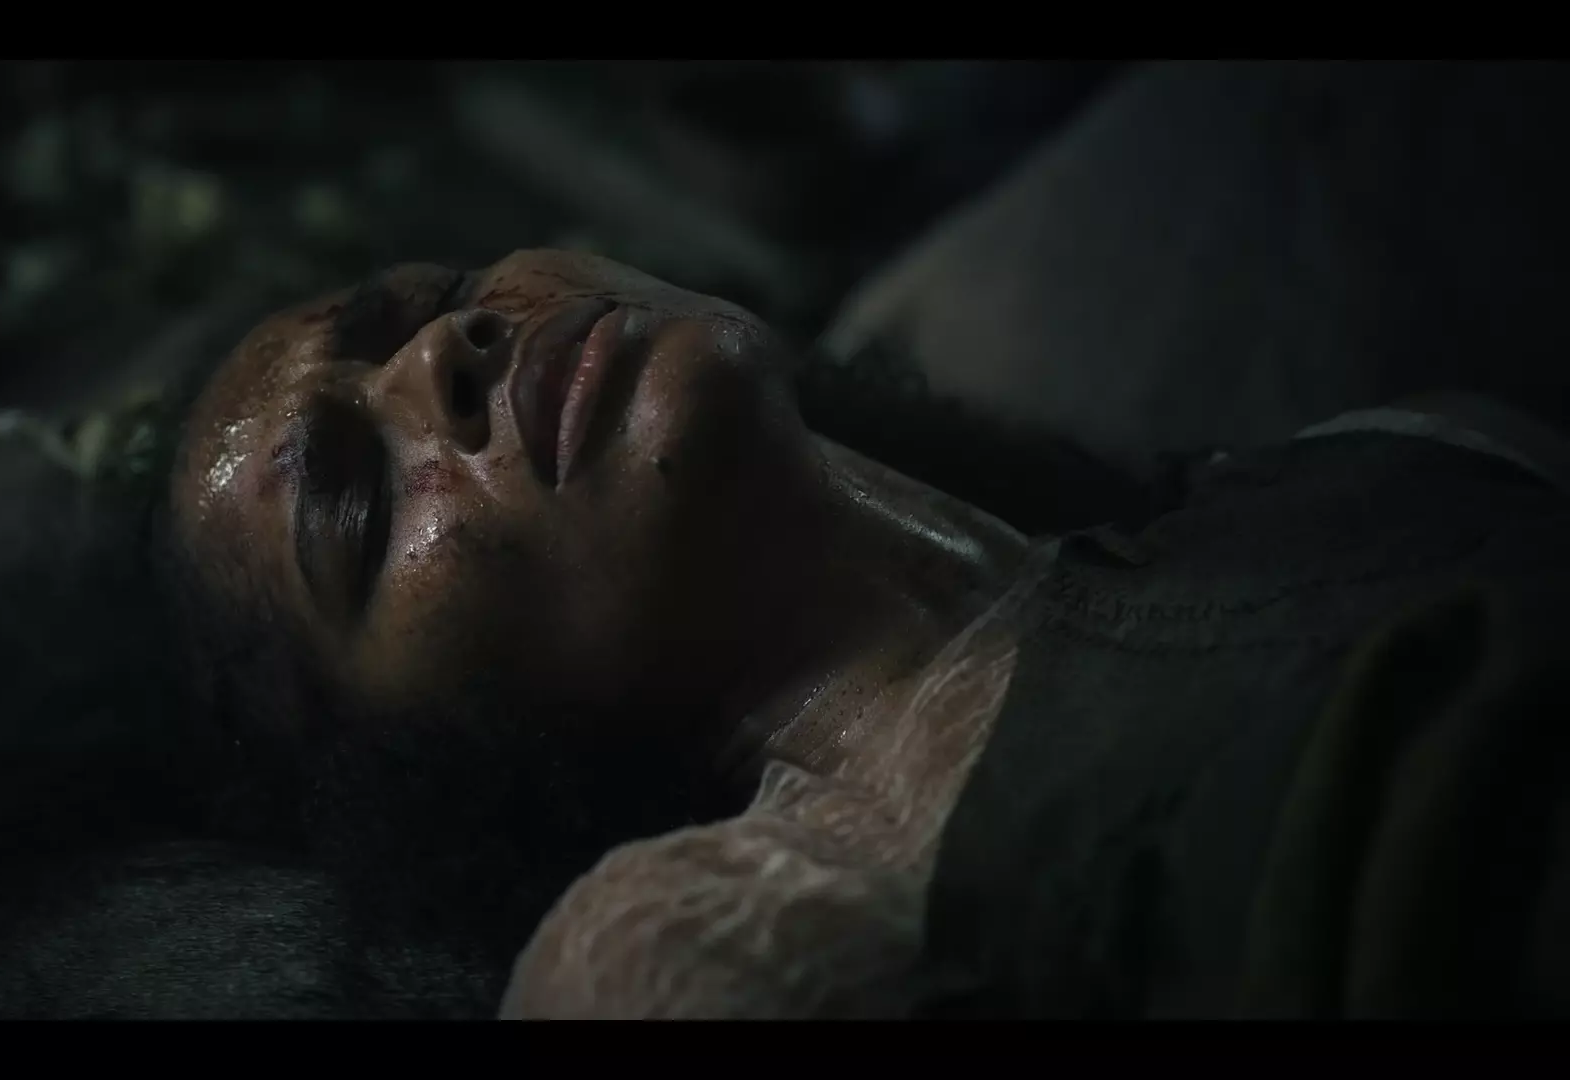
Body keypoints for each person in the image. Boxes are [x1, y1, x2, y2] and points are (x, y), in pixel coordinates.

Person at [166, 248, 1570, 1019]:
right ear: (413, 764)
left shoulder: (1388, 455)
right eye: (355, 503)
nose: (442, 354)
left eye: (436, 299)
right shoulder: (699, 952)